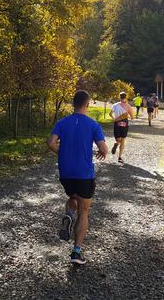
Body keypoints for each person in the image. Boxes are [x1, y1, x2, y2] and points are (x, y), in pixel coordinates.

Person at [47, 90, 109, 265]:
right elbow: (104, 150)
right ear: (88, 104)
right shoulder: (93, 125)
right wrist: (101, 153)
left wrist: (64, 153)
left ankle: (68, 215)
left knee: (73, 197)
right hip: (84, 175)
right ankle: (76, 252)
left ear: (73, 103)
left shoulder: (62, 122)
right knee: (84, 210)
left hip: (66, 174)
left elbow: (51, 143)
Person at [109, 92, 134, 163]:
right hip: (124, 123)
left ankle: (116, 143)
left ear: (119, 97)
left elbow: (110, 114)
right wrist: (128, 116)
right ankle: (119, 157)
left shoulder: (115, 105)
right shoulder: (128, 106)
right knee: (123, 140)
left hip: (117, 123)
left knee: (118, 139)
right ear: (126, 97)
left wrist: (114, 119)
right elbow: (132, 117)